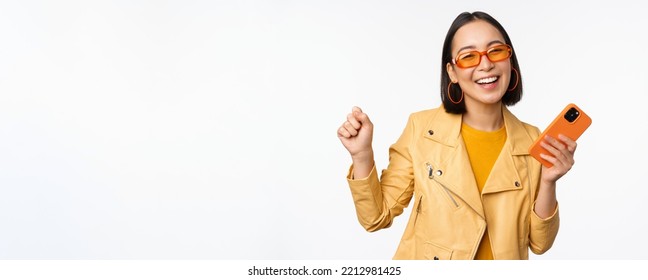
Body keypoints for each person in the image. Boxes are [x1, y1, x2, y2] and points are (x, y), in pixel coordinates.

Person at [336, 11, 578, 260]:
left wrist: (549, 181)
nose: (485, 64)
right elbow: (376, 217)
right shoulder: (422, 129)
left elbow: (540, 243)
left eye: (496, 51)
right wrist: (362, 155)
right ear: (452, 72)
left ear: (510, 60)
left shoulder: (531, 139)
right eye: (469, 56)